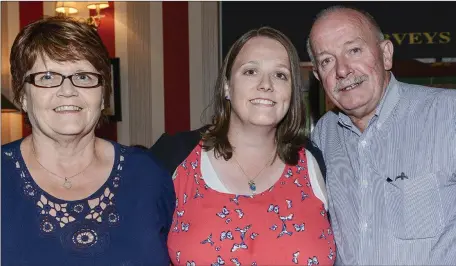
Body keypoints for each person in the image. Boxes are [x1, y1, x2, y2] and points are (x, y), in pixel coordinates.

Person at [150, 27, 335, 265]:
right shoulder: (174, 157)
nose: (266, 85)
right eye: (250, 71)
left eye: (280, 75)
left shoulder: (316, 162)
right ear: (227, 86)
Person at [1, 16, 174, 266]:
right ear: (22, 96)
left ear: (103, 96)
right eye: (48, 77)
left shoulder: (147, 174)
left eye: (83, 76)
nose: (68, 90)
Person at [307, 5, 456, 265]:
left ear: (386, 54)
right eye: (327, 60)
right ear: (319, 76)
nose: (342, 70)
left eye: (354, 50)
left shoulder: (448, 114)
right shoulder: (323, 136)